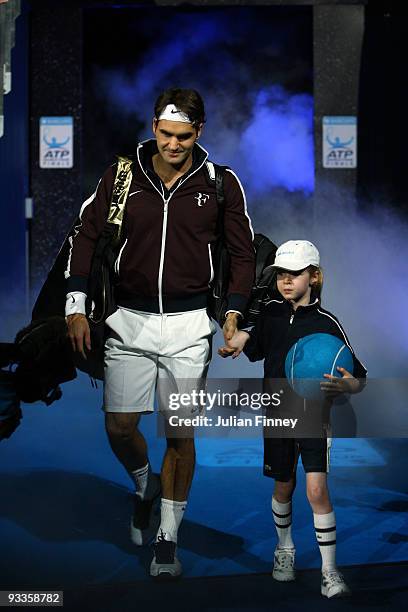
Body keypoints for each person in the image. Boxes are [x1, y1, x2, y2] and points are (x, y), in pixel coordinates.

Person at [64, 88, 255, 578]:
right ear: (153, 126)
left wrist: (234, 313)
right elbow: (86, 235)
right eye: (166, 134)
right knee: (120, 427)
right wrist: (76, 306)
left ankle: (168, 538)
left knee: (178, 432)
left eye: (184, 135)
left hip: (190, 327)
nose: (173, 144)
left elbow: (243, 251)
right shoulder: (123, 174)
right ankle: (144, 482)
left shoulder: (220, 182)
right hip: (128, 319)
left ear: (199, 132)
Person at [218, 240, 367, 598]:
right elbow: (250, 344)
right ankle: (284, 549)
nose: (286, 281)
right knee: (283, 487)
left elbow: (357, 377)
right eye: (281, 274)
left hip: (315, 416)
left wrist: (345, 385)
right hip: (278, 414)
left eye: (294, 274)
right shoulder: (269, 314)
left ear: (314, 277)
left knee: (317, 491)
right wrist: (237, 340)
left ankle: (329, 571)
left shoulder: (328, 324)